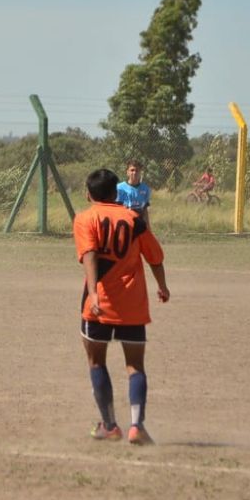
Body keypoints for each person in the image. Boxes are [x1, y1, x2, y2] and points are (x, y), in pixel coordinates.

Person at [74, 168, 170, 445]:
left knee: (96, 361)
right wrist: (162, 286)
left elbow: (90, 255)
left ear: (88, 194)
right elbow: (155, 257)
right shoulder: (134, 220)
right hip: (132, 304)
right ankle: (136, 426)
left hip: (98, 304)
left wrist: (93, 294)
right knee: (135, 365)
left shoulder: (85, 218)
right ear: (117, 193)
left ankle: (109, 425)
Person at [116, 160, 152, 226]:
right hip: (125, 223)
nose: (134, 173)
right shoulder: (120, 188)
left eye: (137, 170)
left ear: (140, 172)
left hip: (139, 224)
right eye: (132, 170)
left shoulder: (145, 188)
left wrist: (148, 228)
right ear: (127, 172)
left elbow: (144, 210)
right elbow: (116, 209)